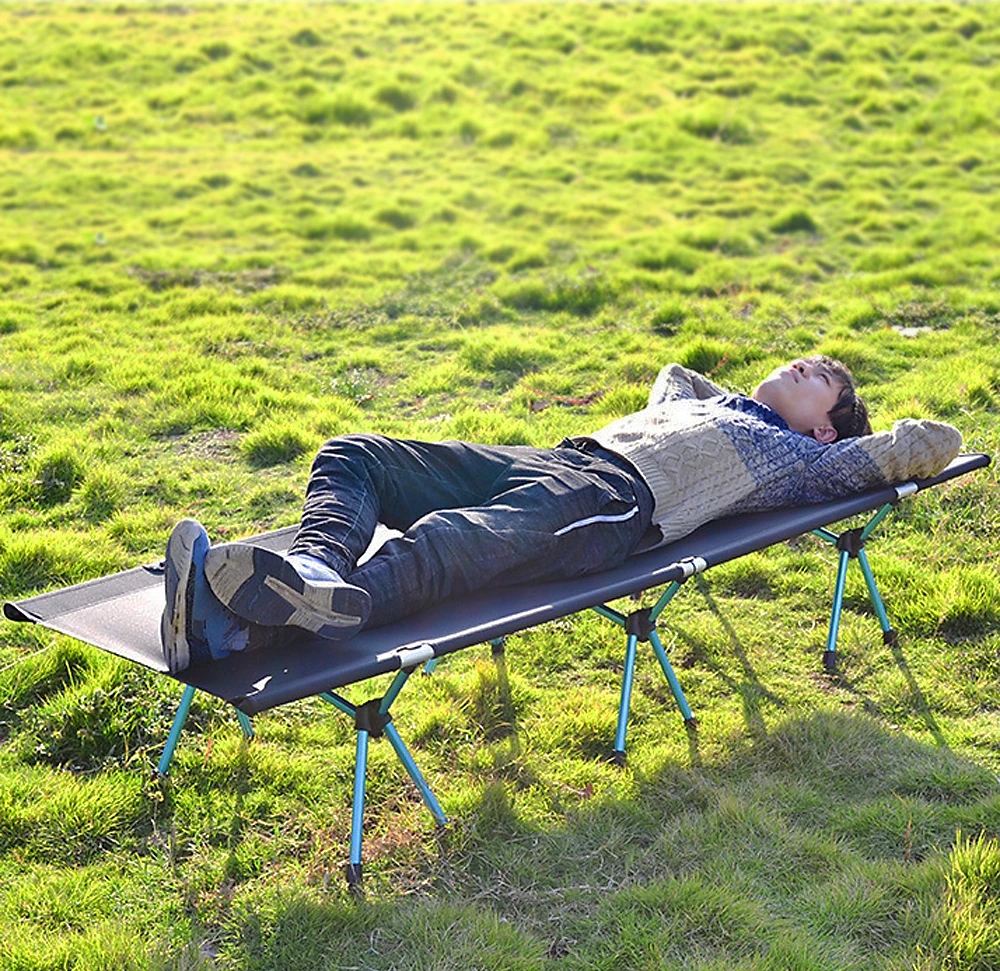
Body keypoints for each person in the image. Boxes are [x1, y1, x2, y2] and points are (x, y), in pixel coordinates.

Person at [160, 356, 961, 673]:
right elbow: (677, 376)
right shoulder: (721, 407)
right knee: (355, 453)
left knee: (446, 545)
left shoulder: (799, 459)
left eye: (822, 377)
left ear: (826, 430)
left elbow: (929, 444)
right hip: (554, 459)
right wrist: (739, 399)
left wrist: (836, 434)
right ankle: (310, 570)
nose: (804, 364)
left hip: (610, 504)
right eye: (808, 361)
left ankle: (237, 629)